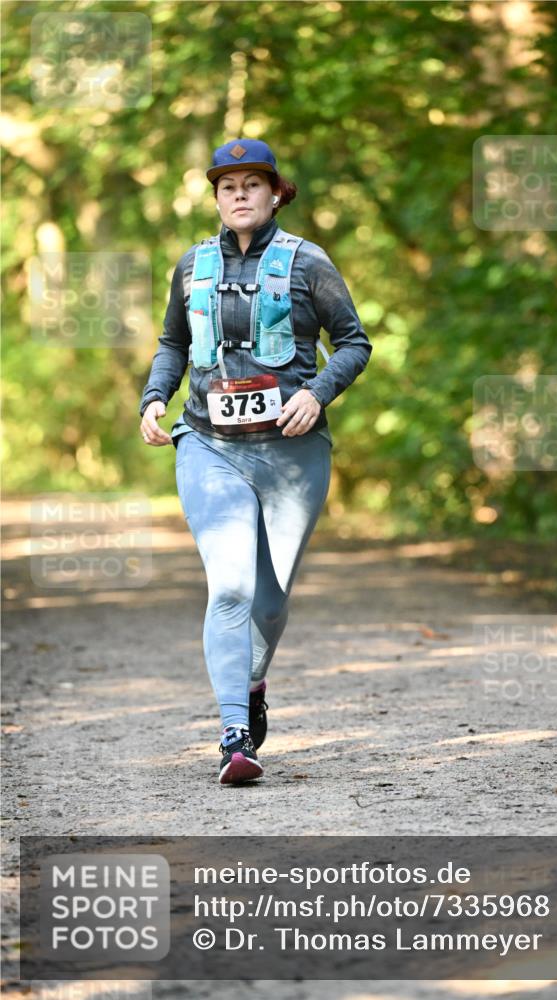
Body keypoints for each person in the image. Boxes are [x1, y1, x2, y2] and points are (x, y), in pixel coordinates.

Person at [138, 138, 372, 785]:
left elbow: (353, 342)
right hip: (209, 445)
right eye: (226, 185)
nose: (238, 194)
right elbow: (172, 343)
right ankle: (234, 735)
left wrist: (316, 392)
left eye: (251, 183)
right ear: (216, 197)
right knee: (232, 586)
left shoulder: (308, 263)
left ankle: (253, 683)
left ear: (275, 193)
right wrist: (155, 397)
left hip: (293, 455)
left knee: (270, 602)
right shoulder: (191, 266)